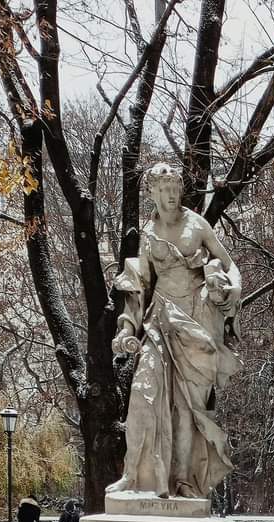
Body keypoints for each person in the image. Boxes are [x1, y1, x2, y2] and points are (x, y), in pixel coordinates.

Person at [106, 162, 242, 498]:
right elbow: (138, 285)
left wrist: (234, 290)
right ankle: (133, 474)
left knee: (187, 409)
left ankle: (182, 479)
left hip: (196, 322)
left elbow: (229, 265)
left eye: (175, 189)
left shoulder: (197, 225)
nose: (170, 195)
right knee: (141, 392)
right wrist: (126, 328)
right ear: (151, 192)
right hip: (161, 319)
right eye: (163, 189)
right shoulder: (149, 232)